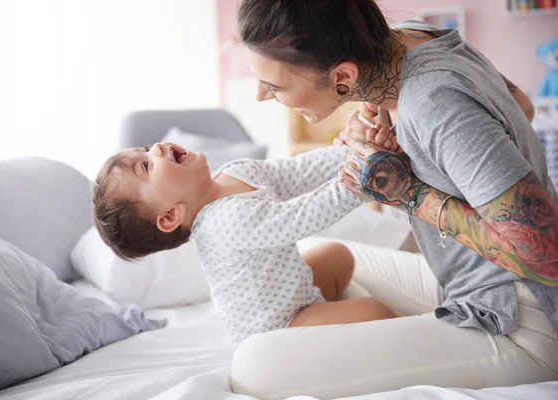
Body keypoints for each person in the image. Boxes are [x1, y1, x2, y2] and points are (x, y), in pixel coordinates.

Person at [231, 0, 558, 398]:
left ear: (343, 76)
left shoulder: (433, 101)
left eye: (275, 85)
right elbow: (518, 106)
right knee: (320, 250)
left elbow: (545, 255)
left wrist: (407, 192)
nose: (262, 96)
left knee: (254, 365)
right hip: (465, 285)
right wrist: (375, 115)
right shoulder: (411, 35)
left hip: (522, 321)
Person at [91, 139, 398, 344]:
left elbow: (300, 172)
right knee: (374, 313)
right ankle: (428, 340)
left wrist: (355, 152)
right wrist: (362, 181)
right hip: (274, 334)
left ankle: (326, 311)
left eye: (144, 150)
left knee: (338, 256)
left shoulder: (235, 172)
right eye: (145, 166)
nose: (155, 147)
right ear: (171, 216)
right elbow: (305, 214)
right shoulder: (224, 223)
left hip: (293, 292)